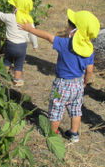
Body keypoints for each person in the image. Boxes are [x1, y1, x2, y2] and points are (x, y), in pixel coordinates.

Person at [19, 9, 100, 142]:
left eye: (69, 26)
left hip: (62, 84)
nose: (67, 28)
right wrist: (85, 82)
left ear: (75, 30)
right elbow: (90, 70)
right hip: (78, 84)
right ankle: (74, 133)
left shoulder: (65, 44)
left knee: (56, 108)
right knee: (76, 109)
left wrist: (30, 29)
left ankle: (52, 133)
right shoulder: (89, 50)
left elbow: (48, 36)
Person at [0, 0, 38, 86]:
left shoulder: (10, 17)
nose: (12, 7)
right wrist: (35, 45)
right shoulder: (29, 20)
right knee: (19, 65)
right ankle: (17, 80)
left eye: (13, 6)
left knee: (7, 61)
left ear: (16, 8)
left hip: (11, 45)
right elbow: (33, 33)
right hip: (22, 46)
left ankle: (3, 76)